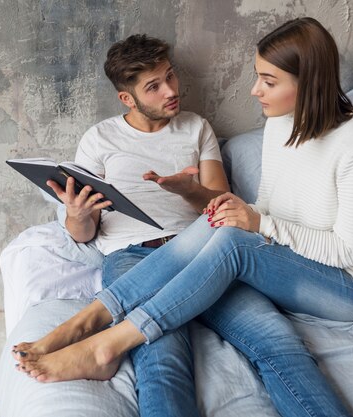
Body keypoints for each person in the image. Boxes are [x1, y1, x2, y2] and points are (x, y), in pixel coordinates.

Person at [15, 17, 353, 417]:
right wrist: (245, 217)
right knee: (169, 343)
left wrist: (231, 211)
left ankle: (102, 334)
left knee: (258, 304)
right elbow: (268, 206)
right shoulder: (281, 123)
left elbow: (348, 251)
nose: (254, 90)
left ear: (309, 81)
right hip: (154, 254)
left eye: (268, 81)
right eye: (257, 77)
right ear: (127, 98)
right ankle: (94, 326)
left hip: (345, 283)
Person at [12, 34, 229, 417]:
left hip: (197, 247)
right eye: (154, 86)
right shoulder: (99, 138)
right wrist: (77, 215)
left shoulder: (197, 127)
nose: (171, 91)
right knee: (162, 356)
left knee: (270, 336)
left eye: (171, 77)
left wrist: (189, 191)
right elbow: (84, 234)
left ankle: (94, 339)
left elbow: (221, 207)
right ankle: (93, 342)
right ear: (127, 98)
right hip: (132, 256)